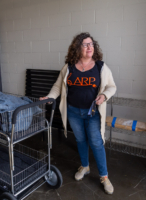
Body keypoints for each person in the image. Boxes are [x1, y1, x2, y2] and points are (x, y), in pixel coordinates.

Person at [40, 32, 116, 194]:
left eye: (91, 44)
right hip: (73, 111)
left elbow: (112, 87)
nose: (90, 47)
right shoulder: (68, 68)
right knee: (80, 139)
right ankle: (85, 166)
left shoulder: (100, 66)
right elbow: (57, 87)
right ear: (77, 47)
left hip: (93, 113)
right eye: (85, 44)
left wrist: (104, 95)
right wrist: (50, 97)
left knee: (96, 142)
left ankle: (104, 176)